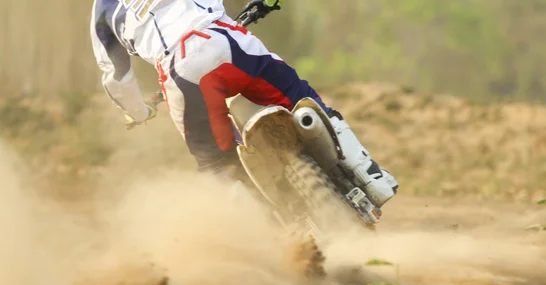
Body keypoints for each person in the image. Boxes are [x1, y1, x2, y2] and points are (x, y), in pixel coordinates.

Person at [90, 0, 398, 207]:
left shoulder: (102, 10)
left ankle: (256, 239)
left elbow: (115, 76)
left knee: (215, 165)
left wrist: (139, 112)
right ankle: (371, 176)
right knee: (300, 99)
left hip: (178, 72)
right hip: (225, 41)